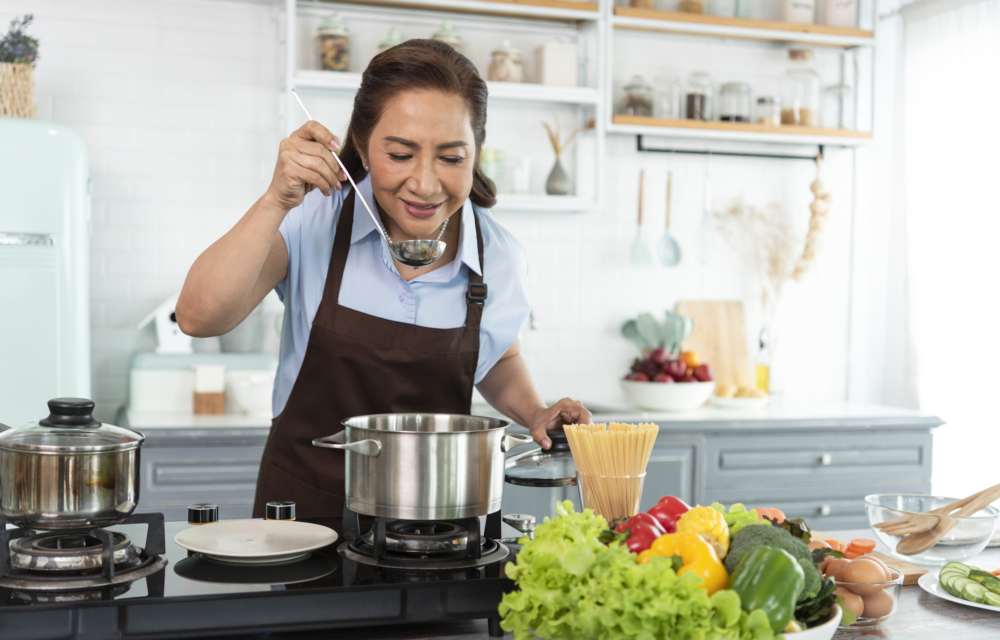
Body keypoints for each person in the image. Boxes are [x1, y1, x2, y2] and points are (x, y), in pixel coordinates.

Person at [176, 40, 591, 518]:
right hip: (304, 515)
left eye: (451, 158)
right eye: (400, 154)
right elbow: (196, 317)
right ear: (362, 147)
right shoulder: (313, 218)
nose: (425, 184)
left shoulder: (497, 255)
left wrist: (535, 413)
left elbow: (498, 354)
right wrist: (275, 199)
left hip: (437, 521)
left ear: (476, 154)